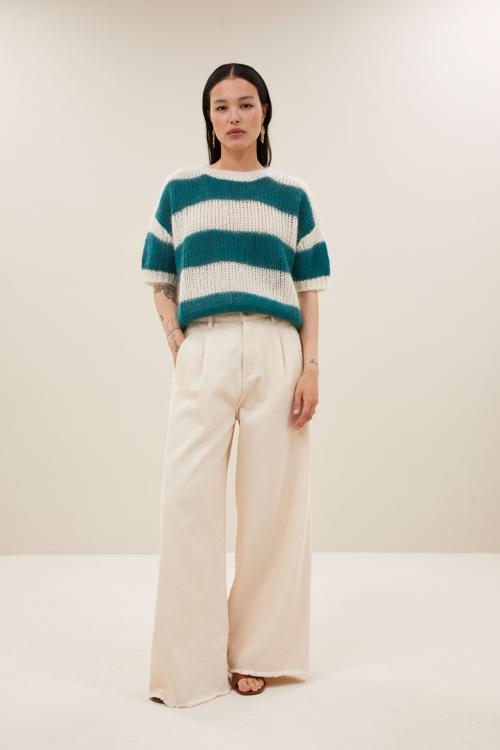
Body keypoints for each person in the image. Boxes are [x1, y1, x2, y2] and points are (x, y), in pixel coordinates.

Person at [141, 62, 331, 708]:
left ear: (265, 112)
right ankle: (187, 665)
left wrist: (311, 365)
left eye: (246, 103)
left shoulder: (291, 194)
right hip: (206, 346)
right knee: (187, 503)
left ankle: (257, 651)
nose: (234, 116)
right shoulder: (181, 189)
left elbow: (309, 288)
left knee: (272, 505)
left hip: (278, 349)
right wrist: (176, 338)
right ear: (209, 117)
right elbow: (158, 275)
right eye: (221, 106)